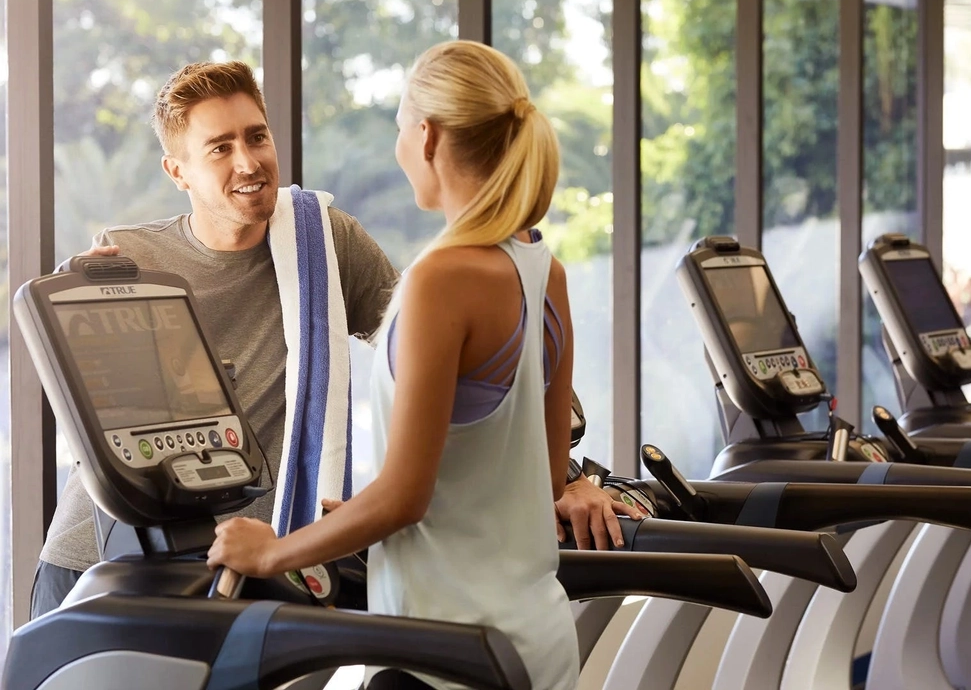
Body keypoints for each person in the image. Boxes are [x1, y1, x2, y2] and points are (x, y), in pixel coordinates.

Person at [31, 59, 639, 620]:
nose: (247, 162)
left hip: (248, 563)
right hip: (104, 557)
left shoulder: (325, 244)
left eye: (256, 136)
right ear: (177, 171)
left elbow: (468, 361)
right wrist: (83, 311)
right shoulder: (129, 259)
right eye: (219, 147)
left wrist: (571, 477)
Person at [208, 40, 584, 690]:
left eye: (398, 129)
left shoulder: (443, 276)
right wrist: (351, 519)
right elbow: (544, 472)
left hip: (446, 655)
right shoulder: (544, 272)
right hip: (539, 643)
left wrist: (271, 550)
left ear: (428, 135)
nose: (398, 148)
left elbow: (405, 497)